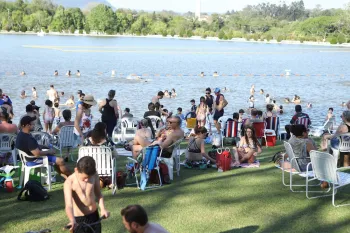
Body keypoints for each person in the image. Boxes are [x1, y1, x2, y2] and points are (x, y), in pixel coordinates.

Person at [64, 156, 110, 233]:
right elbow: (69, 205)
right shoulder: (69, 182)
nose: (87, 180)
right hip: (79, 220)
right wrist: (72, 220)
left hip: (94, 216)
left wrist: (102, 209)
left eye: (89, 177)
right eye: (84, 177)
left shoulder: (94, 175)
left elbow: (99, 195)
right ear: (76, 170)